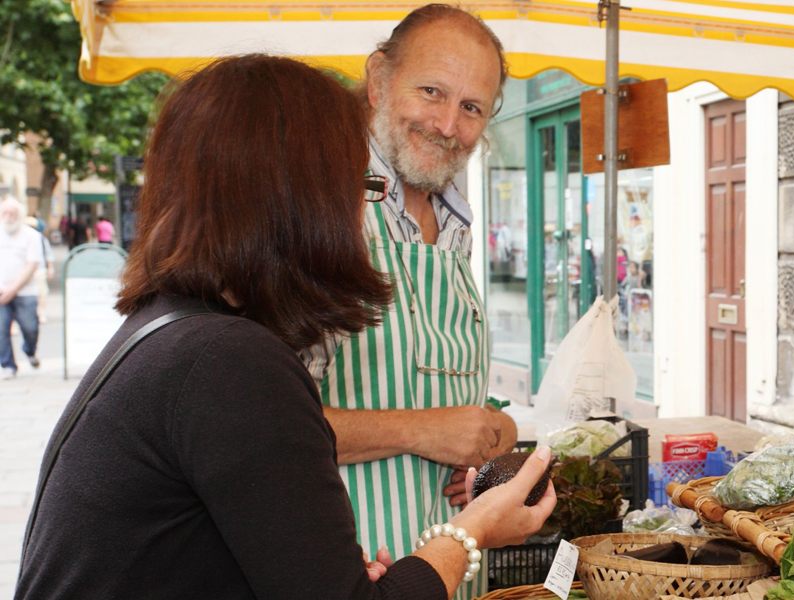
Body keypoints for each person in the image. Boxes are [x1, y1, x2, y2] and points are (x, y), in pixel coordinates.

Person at [16, 54, 553, 600]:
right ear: (298, 199)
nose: (356, 213)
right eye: (357, 185)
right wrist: (473, 530)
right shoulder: (229, 361)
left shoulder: (172, 329)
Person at [298, 7, 517, 596]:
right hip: (353, 568)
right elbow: (261, 427)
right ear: (378, 79)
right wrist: (422, 431)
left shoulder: (456, 227)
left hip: (457, 568)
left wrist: (496, 427)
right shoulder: (320, 212)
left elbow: (441, 386)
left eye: (472, 108)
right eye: (432, 92)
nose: (448, 124)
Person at [0, 199, 43, 378]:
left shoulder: (31, 235)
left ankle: (29, 349)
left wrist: (13, 289)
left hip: (25, 291)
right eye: (5, 213)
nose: (8, 217)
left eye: (13, 213)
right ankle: (8, 365)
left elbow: (32, 264)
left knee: (29, 328)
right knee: (1, 330)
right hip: (1, 291)